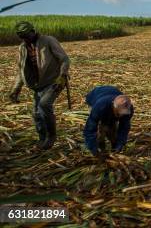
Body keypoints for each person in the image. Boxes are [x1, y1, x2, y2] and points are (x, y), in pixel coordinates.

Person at [9, 21, 70, 149]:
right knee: (36, 114)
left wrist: (62, 75)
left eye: (27, 35)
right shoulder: (22, 48)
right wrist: (15, 89)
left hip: (54, 82)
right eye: (22, 36)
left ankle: (51, 136)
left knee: (44, 104)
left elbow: (64, 59)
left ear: (33, 31)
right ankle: (42, 138)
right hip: (38, 85)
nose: (25, 38)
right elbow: (21, 71)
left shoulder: (48, 41)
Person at [83, 86, 134, 156]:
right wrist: (92, 148)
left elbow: (124, 127)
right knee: (101, 130)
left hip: (111, 93)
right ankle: (100, 146)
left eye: (123, 113)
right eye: (119, 113)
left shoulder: (128, 109)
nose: (121, 116)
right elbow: (90, 129)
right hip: (95, 95)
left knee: (112, 130)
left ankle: (114, 147)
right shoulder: (99, 107)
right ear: (113, 106)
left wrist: (120, 143)